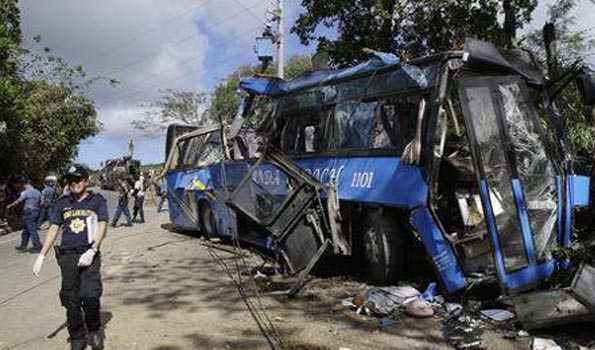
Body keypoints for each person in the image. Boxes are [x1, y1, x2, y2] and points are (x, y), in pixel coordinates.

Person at [32, 164, 108, 350]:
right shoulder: (62, 203)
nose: (74, 183)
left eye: (78, 179)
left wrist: (93, 250)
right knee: (71, 299)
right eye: (70, 180)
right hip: (68, 257)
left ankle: (94, 329)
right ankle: (77, 337)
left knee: (90, 296)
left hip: (89, 254)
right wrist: (42, 255)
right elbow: (54, 228)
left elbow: (102, 225)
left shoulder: (96, 201)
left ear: (86, 180)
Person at [7, 176, 42, 252]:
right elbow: (41, 203)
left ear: (26, 185)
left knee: (32, 230)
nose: (23, 187)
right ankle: (23, 246)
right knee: (26, 230)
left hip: (29, 212)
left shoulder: (27, 192)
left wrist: (10, 205)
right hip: (36, 211)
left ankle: (37, 246)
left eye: (23, 185)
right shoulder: (38, 192)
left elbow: (19, 200)